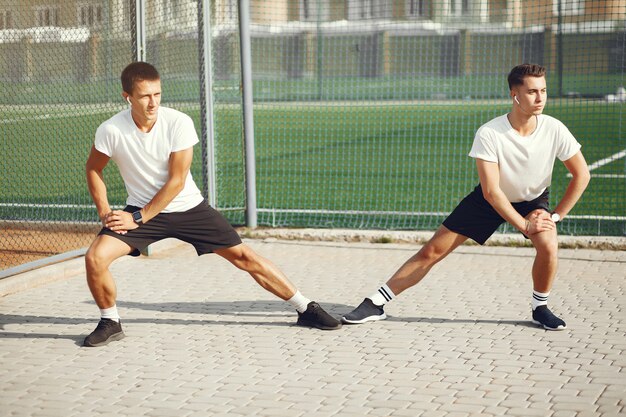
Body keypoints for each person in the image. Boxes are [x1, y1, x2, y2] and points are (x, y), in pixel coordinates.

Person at [83, 62, 341, 347]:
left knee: (245, 257)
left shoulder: (178, 122)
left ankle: (305, 308)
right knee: (95, 257)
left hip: (187, 208)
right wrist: (105, 211)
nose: (153, 102)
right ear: (127, 97)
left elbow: (177, 180)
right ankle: (110, 321)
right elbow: (93, 169)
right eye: (145, 96)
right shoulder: (111, 130)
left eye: (157, 94)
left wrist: (140, 218)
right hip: (140, 211)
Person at [342, 63, 590, 331]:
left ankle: (539, 307)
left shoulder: (554, 128)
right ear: (514, 95)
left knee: (549, 246)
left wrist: (553, 216)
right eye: (532, 92)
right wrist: (524, 226)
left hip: (533, 201)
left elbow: (581, 175)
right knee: (432, 251)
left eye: (543, 90)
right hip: (488, 201)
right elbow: (491, 191)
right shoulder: (490, 133)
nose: (540, 98)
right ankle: (375, 303)